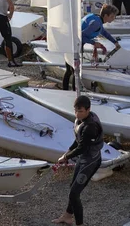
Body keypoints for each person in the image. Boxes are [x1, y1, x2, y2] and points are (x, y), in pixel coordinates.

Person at [52, 95, 103, 226]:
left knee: (74, 194)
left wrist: (66, 157)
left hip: (91, 161)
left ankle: (80, 224)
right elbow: (78, 140)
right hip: (84, 158)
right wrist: (67, 152)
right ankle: (68, 216)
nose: (77, 114)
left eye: (80, 111)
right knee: (72, 189)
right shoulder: (80, 121)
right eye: (76, 111)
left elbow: (82, 147)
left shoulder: (90, 127)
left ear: (88, 110)